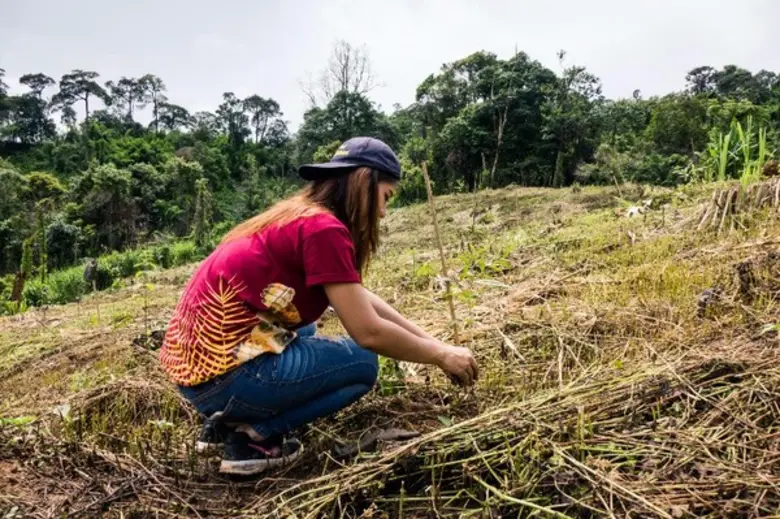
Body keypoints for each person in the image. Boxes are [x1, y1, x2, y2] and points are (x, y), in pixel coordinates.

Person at [159, 137, 478, 475]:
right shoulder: (324, 229)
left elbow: (361, 298)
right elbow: (368, 332)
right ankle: (252, 437)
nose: (384, 212)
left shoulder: (297, 216)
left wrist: (438, 345)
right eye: (386, 197)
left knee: (304, 326)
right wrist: (439, 356)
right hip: (226, 379)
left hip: (197, 378)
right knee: (363, 364)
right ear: (363, 182)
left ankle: (220, 424)